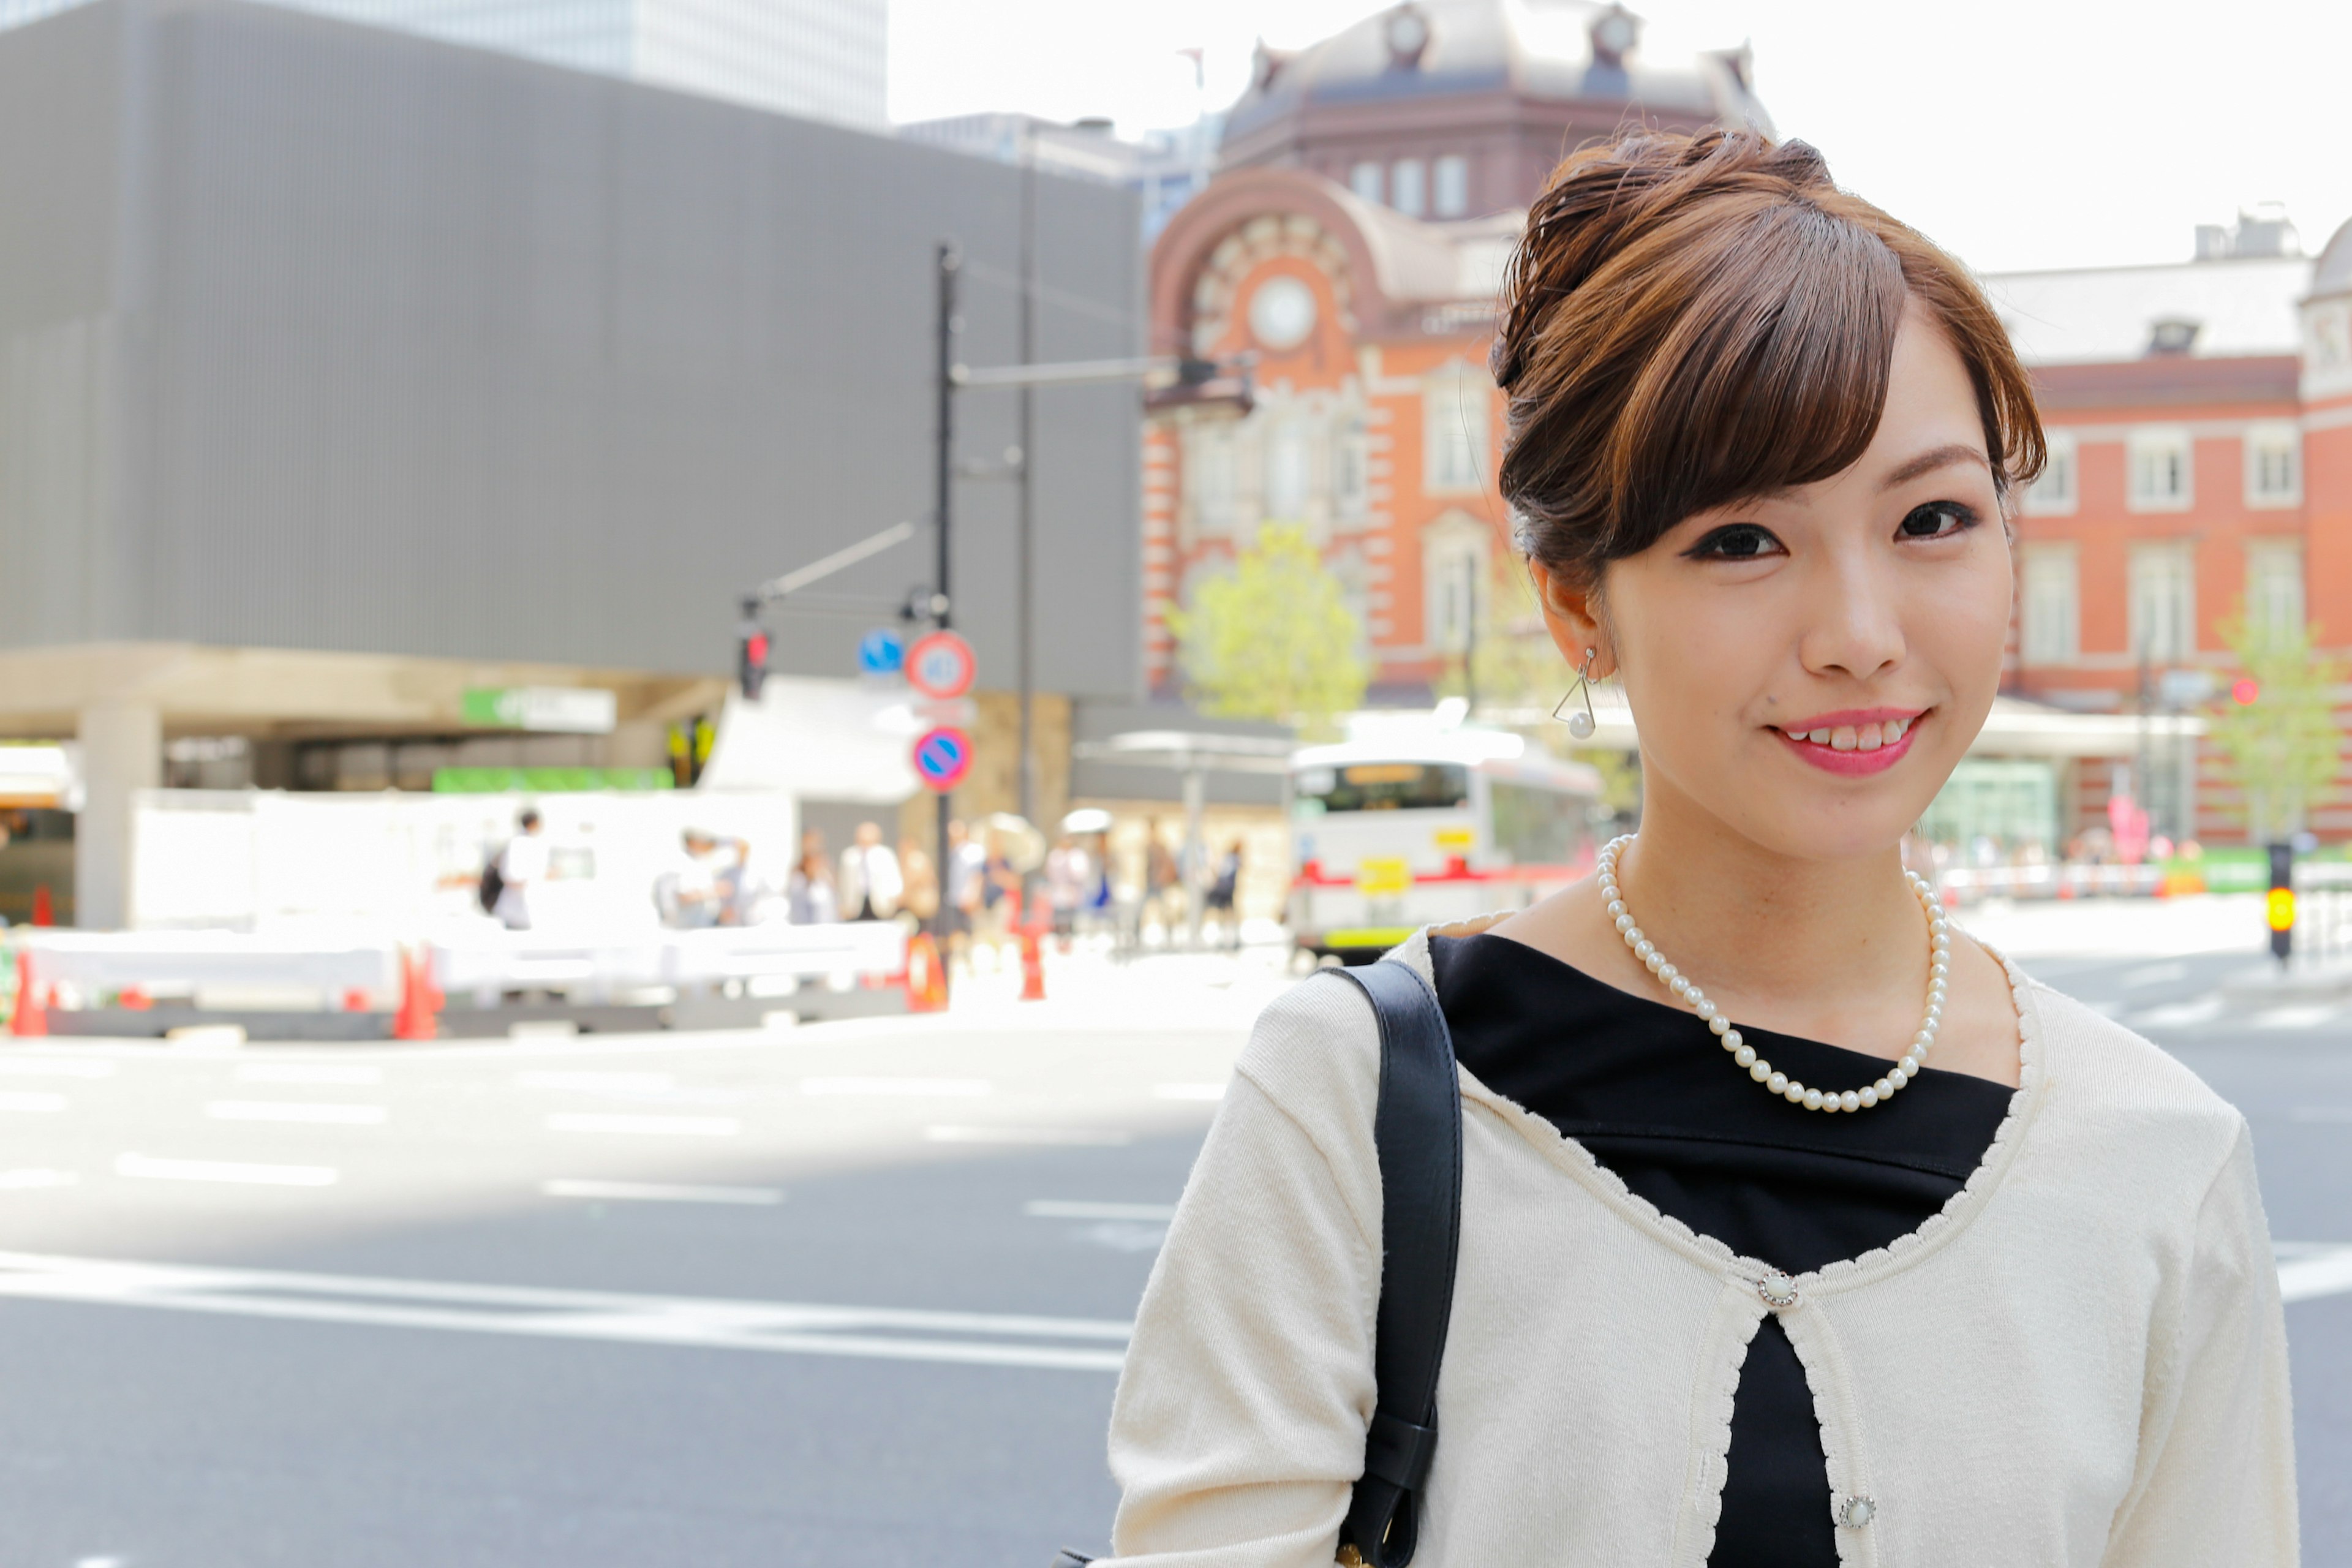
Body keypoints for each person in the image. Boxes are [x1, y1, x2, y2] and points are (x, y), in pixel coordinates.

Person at [1102, 130, 2295, 1566]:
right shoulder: (1357, 1099)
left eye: (1931, 517)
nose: (1858, 632)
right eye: (1740, 539)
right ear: (1575, 605)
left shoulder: (2155, 1153)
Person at [835, 821, 902, 922]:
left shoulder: (885, 854)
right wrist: (843, 903)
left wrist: (894, 897)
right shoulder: (850, 855)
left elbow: (894, 878)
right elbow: (844, 882)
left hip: (880, 903)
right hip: (856, 904)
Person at [491, 807, 546, 930]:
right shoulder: (521, 842)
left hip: (521, 901)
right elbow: (511, 874)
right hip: (518, 902)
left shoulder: (519, 841)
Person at [1044, 833, 1089, 945]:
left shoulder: (1077, 855)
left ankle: (1070, 944)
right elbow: (1051, 874)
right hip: (1059, 895)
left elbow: (1081, 874)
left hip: (1073, 895)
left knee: (1072, 922)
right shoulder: (1055, 856)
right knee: (1059, 922)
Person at [786, 834, 837, 925]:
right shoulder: (798, 872)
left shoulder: (827, 869)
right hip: (804, 923)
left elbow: (833, 896)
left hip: (825, 922)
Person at [1202, 836, 1243, 950]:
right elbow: (1225, 873)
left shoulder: (1229, 858)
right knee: (1229, 915)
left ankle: (1226, 938)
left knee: (1225, 915)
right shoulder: (1234, 859)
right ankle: (1230, 938)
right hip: (1226, 890)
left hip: (1224, 889)